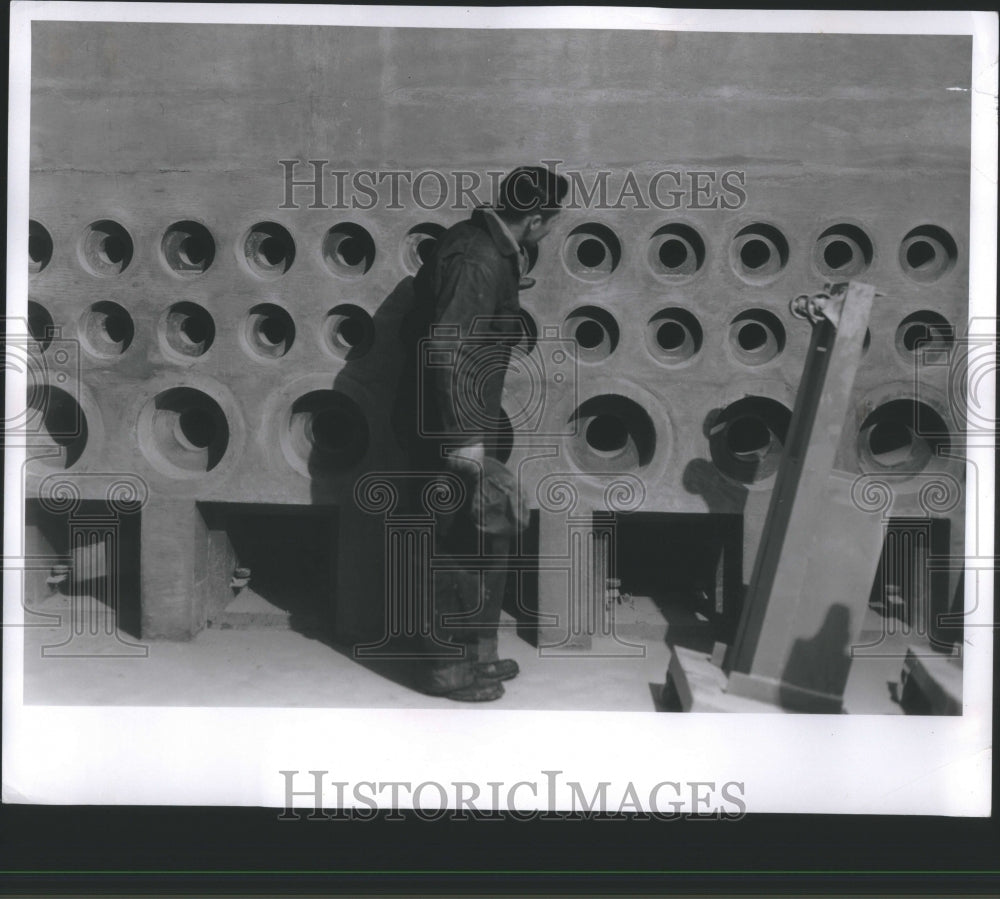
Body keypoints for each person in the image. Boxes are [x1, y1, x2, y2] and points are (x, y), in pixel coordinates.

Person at [397, 165, 568, 701]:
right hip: (450, 425)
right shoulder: (475, 256)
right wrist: (463, 442)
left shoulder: (493, 248)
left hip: (474, 417)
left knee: (485, 533)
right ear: (536, 219)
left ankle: (479, 655)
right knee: (454, 545)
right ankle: (448, 670)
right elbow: (448, 347)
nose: (552, 229)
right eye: (552, 221)